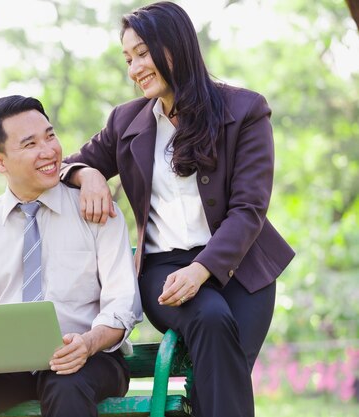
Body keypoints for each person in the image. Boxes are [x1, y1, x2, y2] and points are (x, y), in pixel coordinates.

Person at [60, 2, 295, 417]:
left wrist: (203, 269)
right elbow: (64, 166)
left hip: (244, 269)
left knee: (220, 378)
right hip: (163, 271)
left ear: (175, 46)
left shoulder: (245, 111)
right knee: (210, 320)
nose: (134, 69)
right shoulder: (125, 121)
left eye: (143, 53)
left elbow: (249, 208)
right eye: (128, 58)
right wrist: (90, 174)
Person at [0, 95, 142, 417]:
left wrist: (88, 343)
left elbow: (123, 302)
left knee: (64, 382)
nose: (49, 151)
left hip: (90, 359)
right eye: (30, 144)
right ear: (0, 162)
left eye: (50, 136)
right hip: (7, 366)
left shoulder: (97, 211)